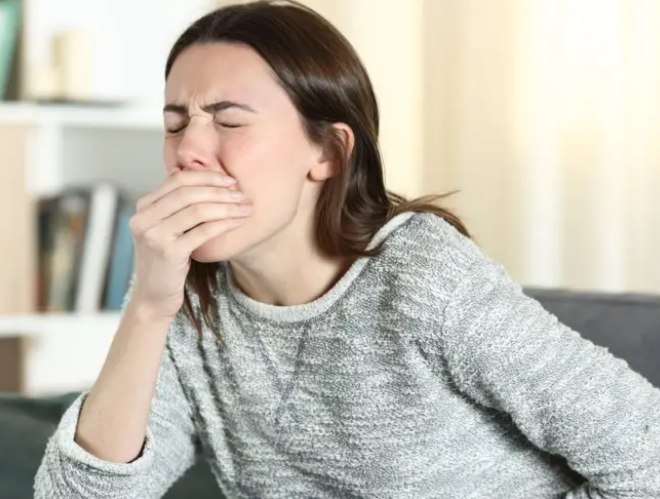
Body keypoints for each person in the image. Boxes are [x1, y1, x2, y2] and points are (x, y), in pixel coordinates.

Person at [34, 1, 660, 498]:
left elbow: (648, 456)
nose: (189, 151)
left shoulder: (423, 278)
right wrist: (148, 306)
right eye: (175, 124)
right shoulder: (179, 299)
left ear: (328, 152)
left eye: (228, 121)